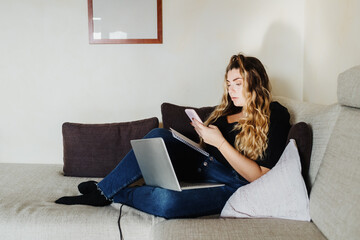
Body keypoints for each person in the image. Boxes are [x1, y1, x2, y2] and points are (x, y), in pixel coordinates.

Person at [55, 53, 291, 219]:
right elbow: (206, 151)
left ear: (255, 82)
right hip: (203, 165)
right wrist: (198, 139)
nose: (231, 90)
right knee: (159, 134)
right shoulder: (227, 111)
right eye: (229, 83)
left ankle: (114, 193)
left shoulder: (276, 114)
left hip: (234, 183)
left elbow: (260, 177)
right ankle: (102, 191)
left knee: (166, 203)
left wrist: (218, 140)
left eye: (238, 83)